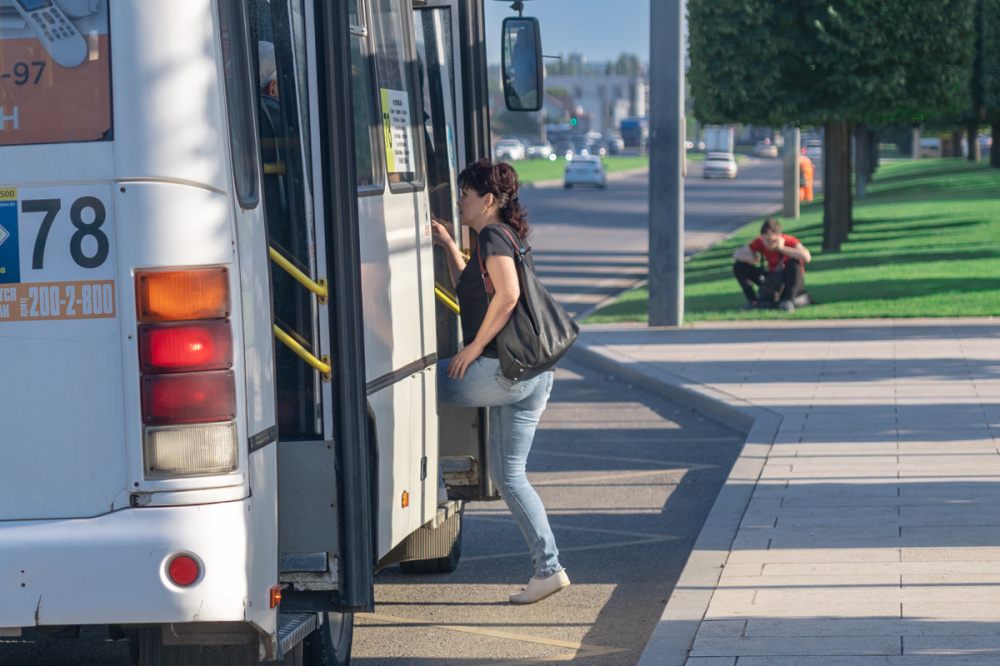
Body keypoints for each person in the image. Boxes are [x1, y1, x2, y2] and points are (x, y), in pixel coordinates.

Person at [431, 158, 569, 605]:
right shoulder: (500, 236)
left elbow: (507, 295)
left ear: (487, 200)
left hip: (501, 371)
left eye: (464, 195)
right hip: (533, 375)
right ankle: (549, 570)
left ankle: (423, 485)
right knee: (511, 476)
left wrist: (471, 350)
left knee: (412, 385)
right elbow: (471, 287)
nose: (459, 202)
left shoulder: (492, 235)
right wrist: (450, 245)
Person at [733, 217, 812, 312]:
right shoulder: (760, 242)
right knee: (739, 266)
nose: (767, 243)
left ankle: (788, 300)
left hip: (790, 281)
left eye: (771, 240)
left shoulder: (789, 241)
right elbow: (736, 254)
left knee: (795, 262)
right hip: (773, 279)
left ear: (779, 236)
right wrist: (749, 259)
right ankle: (753, 302)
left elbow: (806, 256)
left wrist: (781, 248)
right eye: (765, 239)